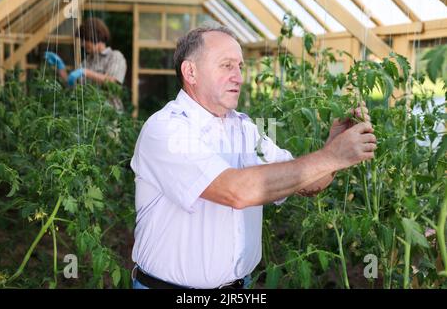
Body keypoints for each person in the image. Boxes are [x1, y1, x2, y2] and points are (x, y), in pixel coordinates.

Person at [129, 23, 377, 289]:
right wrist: (331, 156)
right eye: (226, 65)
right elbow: (235, 191)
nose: (238, 76)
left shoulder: (244, 129)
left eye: (240, 67)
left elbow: (307, 182)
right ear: (191, 72)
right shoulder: (166, 129)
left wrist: (334, 146)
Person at [44, 17, 127, 112]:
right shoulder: (87, 61)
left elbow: (113, 83)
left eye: (85, 40)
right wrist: (60, 67)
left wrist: (86, 72)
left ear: (96, 37)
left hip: (111, 115)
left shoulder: (115, 56)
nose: (83, 44)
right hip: (91, 116)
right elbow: (72, 85)